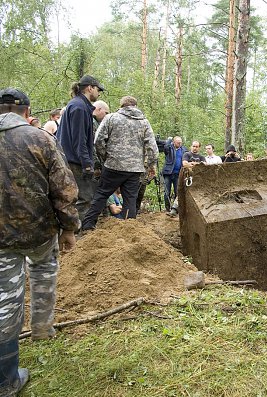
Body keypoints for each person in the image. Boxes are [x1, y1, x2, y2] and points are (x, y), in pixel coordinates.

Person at [0, 88, 79, 396]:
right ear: (27, 110)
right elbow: (64, 188)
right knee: (44, 273)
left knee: (6, 297)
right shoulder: (41, 139)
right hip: (39, 232)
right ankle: (41, 333)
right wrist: (70, 228)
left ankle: (9, 369)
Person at [81, 96, 158, 231]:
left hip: (113, 166)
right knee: (130, 200)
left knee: (102, 194)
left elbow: (98, 141)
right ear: (135, 106)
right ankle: (130, 231)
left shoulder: (111, 118)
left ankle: (88, 226)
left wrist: (105, 157)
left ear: (121, 105)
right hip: (135, 169)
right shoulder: (144, 122)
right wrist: (150, 165)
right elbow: (153, 148)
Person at [56, 75, 105, 224]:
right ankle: (80, 237)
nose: (99, 93)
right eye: (98, 89)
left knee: (77, 197)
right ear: (89, 88)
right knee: (84, 198)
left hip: (71, 158)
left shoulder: (78, 105)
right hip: (74, 161)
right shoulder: (79, 107)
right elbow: (80, 140)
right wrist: (87, 164)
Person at [157, 136, 187, 211]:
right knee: (167, 192)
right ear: (174, 142)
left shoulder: (184, 150)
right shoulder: (169, 148)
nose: (179, 143)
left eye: (180, 142)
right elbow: (165, 147)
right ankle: (168, 209)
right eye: (178, 142)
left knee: (178, 192)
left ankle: (176, 209)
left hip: (178, 174)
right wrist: (169, 140)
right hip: (168, 173)